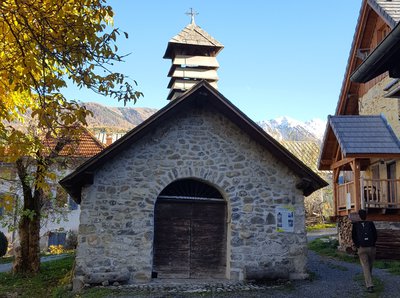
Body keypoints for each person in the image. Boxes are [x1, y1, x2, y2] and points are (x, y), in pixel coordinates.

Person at [351, 209, 378, 293]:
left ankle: (369, 285)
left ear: (359, 216)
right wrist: (373, 244)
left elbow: (353, 237)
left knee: (365, 267)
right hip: (371, 248)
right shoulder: (371, 223)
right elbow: (375, 235)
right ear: (366, 216)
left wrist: (358, 246)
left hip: (362, 248)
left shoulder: (355, 225)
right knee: (369, 266)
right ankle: (369, 283)